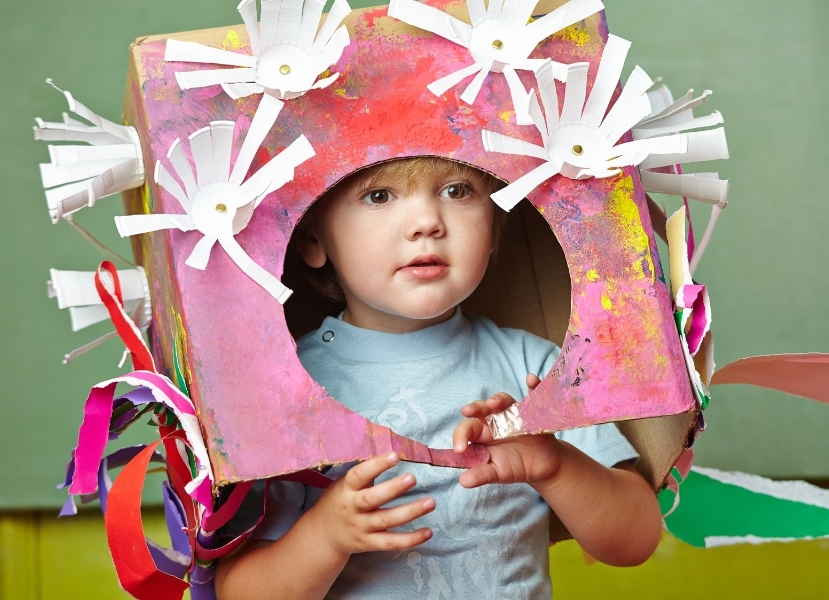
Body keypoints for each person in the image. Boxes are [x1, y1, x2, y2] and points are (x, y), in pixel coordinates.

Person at [214, 157, 663, 599]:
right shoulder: (285, 387)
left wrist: (557, 466)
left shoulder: (537, 368)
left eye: (457, 191)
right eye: (379, 195)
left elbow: (636, 538)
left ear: (493, 226)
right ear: (314, 238)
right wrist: (324, 536)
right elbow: (239, 589)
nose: (426, 222)